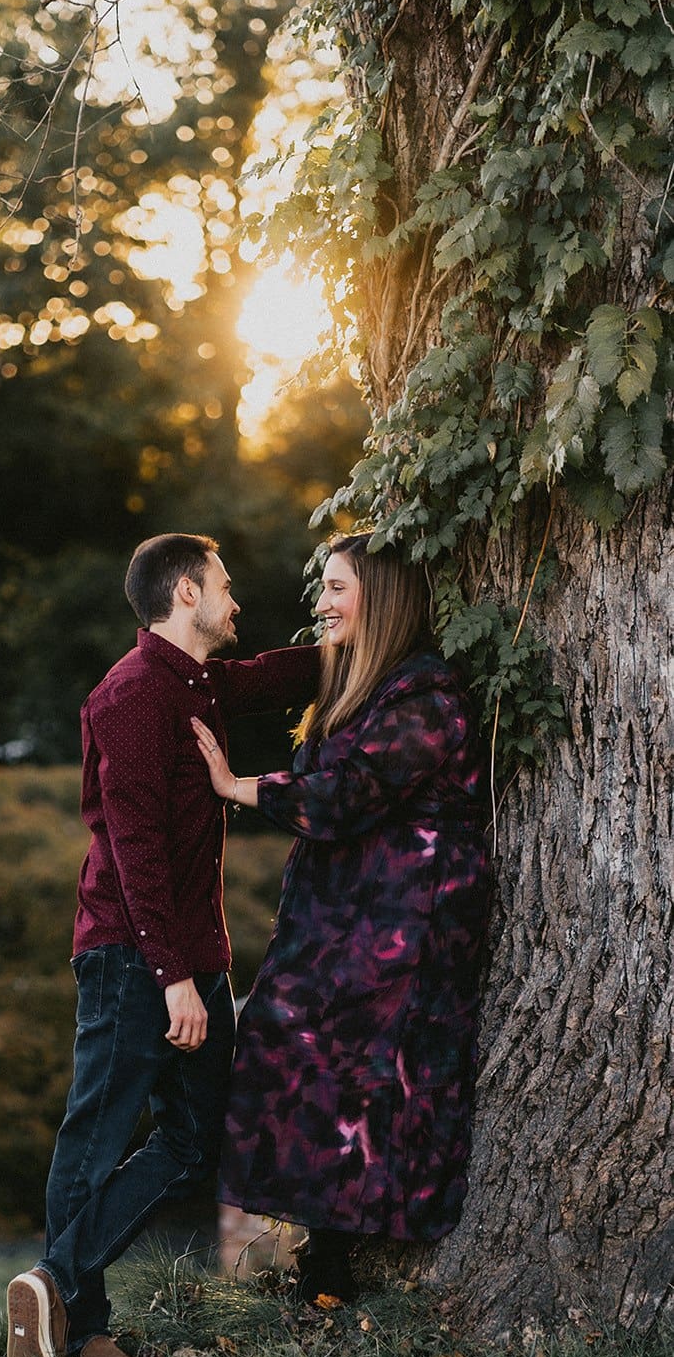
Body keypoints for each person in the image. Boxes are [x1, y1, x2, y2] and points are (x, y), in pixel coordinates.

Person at [6, 532, 320, 1357]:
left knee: (194, 1133)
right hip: (132, 956)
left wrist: (363, 637)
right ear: (186, 592)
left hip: (193, 956)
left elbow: (276, 676)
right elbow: (134, 848)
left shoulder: (195, 682)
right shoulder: (132, 696)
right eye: (223, 586)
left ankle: (51, 1285)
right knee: (95, 1137)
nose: (235, 601)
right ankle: (78, 1337)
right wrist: (172, 977)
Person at [191, 532, 490, 1303]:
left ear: (382, 597)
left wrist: (236, 785)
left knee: (376, 1080)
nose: (319, 605)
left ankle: (344, 1262)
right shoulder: (369, 682)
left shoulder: (427, 695)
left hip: (405, 926)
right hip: (351, 919)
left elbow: (344, 793)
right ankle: (324, 1257)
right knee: (298, 1059)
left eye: (334, 588)